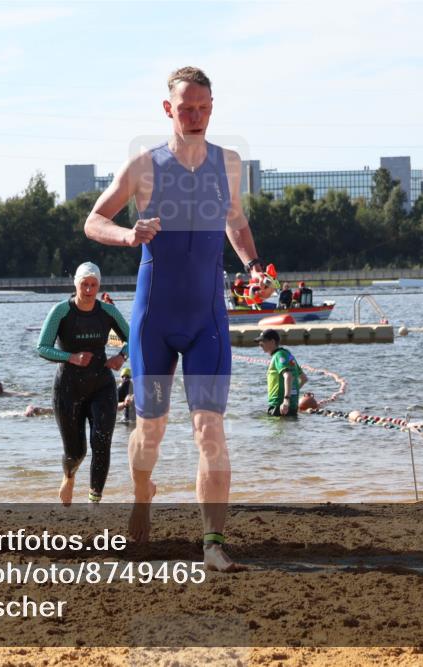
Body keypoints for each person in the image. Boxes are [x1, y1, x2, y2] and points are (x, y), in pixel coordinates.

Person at [83, 66, 265, 572]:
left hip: (207, 318)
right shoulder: (145, 166)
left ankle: (211, 542)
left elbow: (236, 221)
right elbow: (93, 220)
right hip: (154, 321)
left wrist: (252, 267)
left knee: (210, 429)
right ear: (169, 109)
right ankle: (143, 493)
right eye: (187, 108)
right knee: (152, 429)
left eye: (204, 108)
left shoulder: (228, 163)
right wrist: (128, 235)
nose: (196, 117)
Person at [37, 262, 130, 505]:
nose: (88, 290)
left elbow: (135, 338)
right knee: (76, 452)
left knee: (101, 442)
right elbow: (42, 347)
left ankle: (94, 501)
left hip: (102, 386)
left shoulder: (107, 312)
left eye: (93, 285)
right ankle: (69, 476)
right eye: (84, 284)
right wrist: (71, 357)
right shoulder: (61, 311)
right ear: (75, 284)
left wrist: (121, 357)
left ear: (99, 286)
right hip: (68, 388)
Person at [256, 329, 308, 418]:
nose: (260, 344)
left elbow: (288, 376)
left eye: (263, 341)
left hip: (279, 406)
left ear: (272, 342)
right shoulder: (289, 355)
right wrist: (292, 394)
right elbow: (303, 378)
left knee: (274, 430)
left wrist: (286, 399)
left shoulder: (278, 355)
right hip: (291, 406)